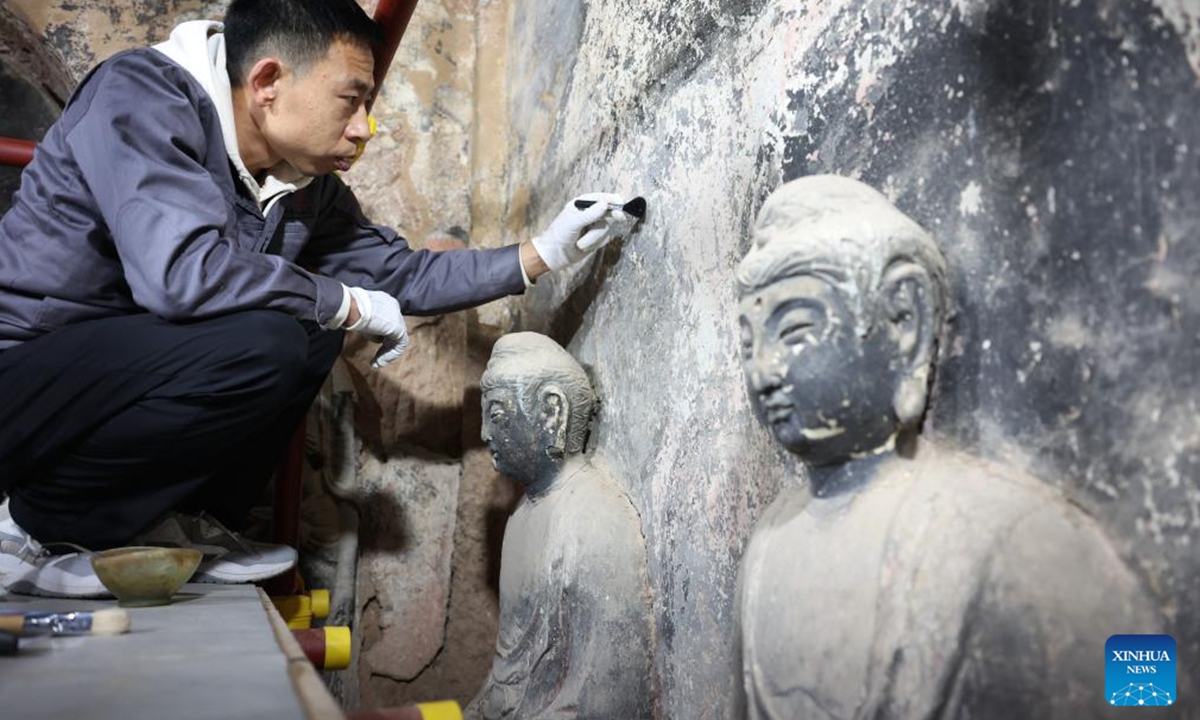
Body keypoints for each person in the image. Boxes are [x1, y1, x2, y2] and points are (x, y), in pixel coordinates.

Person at [0, 0, 636, 598]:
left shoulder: (302, 185)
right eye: (350, 100)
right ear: (269, 81)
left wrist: (545, 252)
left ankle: (174, 522)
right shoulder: (142, 95)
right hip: (27, 379)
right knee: (276, 335)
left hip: (120, 383)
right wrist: (344, 303)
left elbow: (401, 276)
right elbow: (180, 275)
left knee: (308, 334)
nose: (365, 128)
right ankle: (35, 533)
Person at [735, 176, 1163, 719]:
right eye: (748, 344)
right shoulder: (768, 549)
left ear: (904, 323)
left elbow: (1151, 685)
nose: (762, 373)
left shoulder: (1006, 536)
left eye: (794, 331)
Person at [466, 333, 654, 720]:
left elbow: (609, 701)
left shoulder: (596, 520)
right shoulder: (520, 517)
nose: (485, 434)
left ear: (552, 412)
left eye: (497, 414)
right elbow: (506, 681)